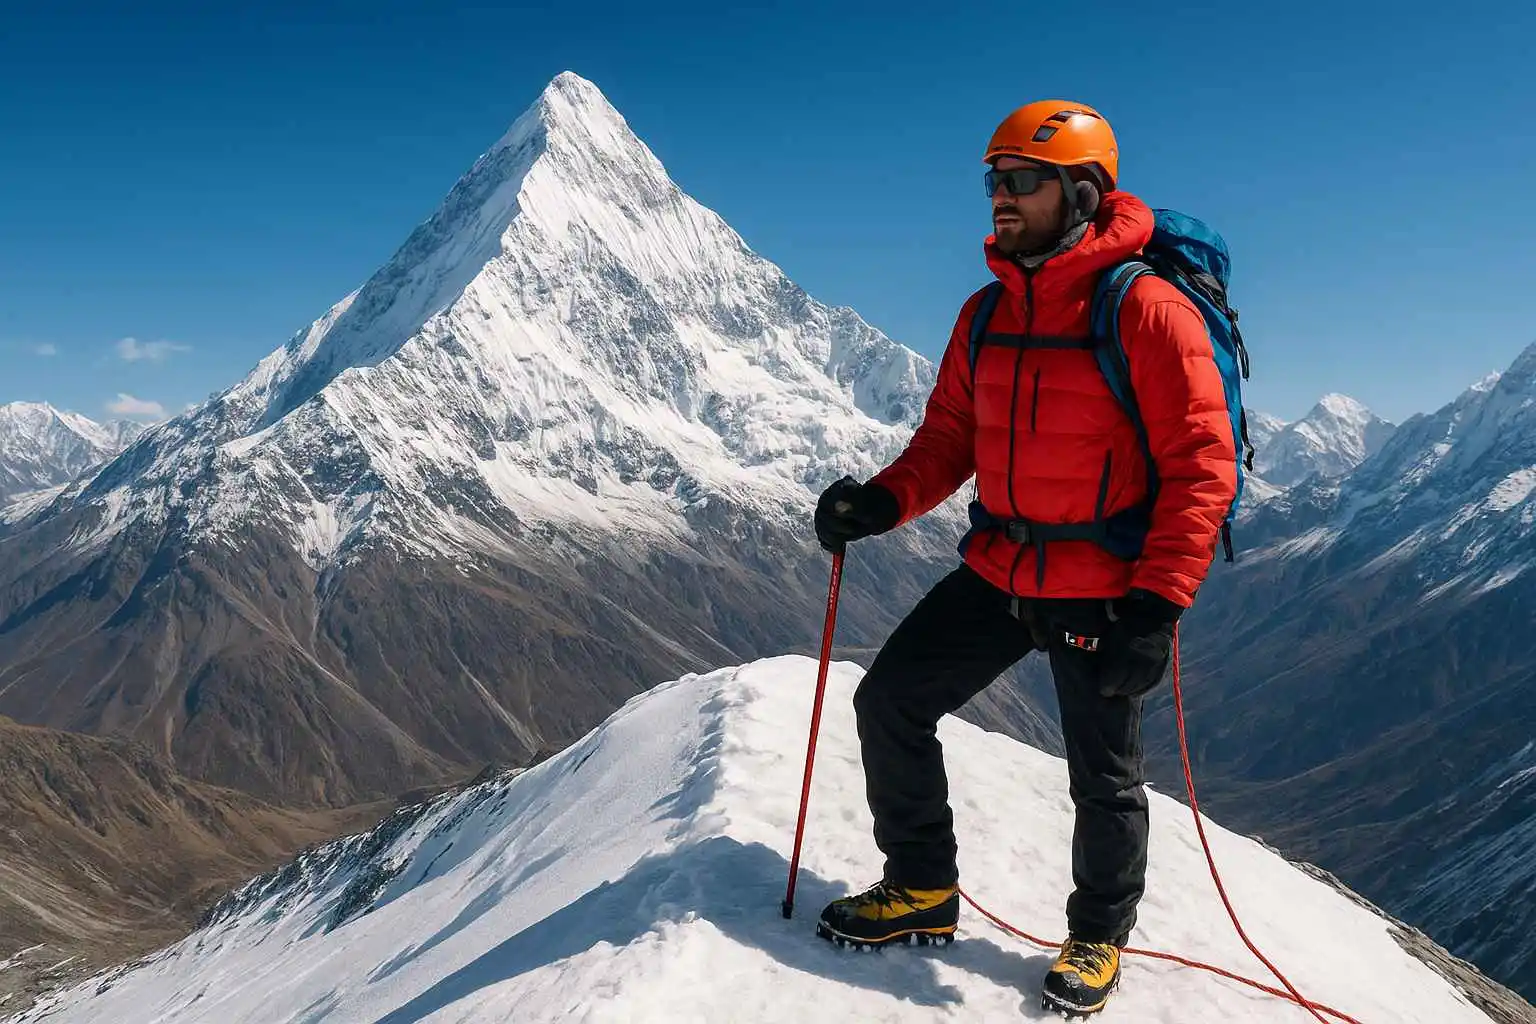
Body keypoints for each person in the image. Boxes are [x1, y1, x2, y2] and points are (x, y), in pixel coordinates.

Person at [811, 100, 1236, 1018]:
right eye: (993, 180)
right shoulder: (985, 314)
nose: (998, 197)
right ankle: (921, 886)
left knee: (1103, 775)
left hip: (1104, 587)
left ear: (1082, 191)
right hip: (1001, 568)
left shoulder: (1147, 311)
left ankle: (1097, 935)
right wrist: (883, 501)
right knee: (890, 700)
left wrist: (1158, 606)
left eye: (1020, 180)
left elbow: (1203, 467)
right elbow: (950, 437)